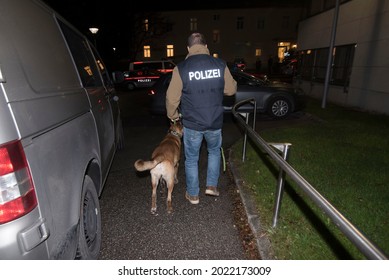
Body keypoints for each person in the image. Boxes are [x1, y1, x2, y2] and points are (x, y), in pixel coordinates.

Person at [165, 32, 237, 205]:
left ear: (188, 48)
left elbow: (171, 98)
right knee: (213, 152)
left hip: (192, 124)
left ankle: (193, 194)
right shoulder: (220, 64)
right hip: (214, 122)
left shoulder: (181, 68)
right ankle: (211, 186)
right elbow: (231, 90)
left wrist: (173, 116)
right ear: (206, 46)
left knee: (191, 159)